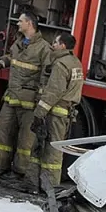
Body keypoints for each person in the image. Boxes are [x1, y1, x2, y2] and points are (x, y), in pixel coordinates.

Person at [0, 11, 50, 182]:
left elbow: (46, 77)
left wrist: (40, 102)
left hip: (29, 103)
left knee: (26, 139)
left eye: (21, 21)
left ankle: (20, 172)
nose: (18, 24)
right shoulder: (20, 42)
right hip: (11, 97)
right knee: (2, 130)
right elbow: (13, 56)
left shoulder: (44, 48)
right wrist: (4, 61)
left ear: (29, 24)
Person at [30, 31, 83, 192]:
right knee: (55, 148)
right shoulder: (76, 63)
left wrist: (39, 113)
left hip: (55, 113)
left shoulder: (60, 65)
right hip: (66, 112)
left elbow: (53, 91)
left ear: (63, 46)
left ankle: (43, 185)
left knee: (46, 148)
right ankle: (46, 185)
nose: (52, 45)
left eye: (55, 43)